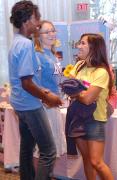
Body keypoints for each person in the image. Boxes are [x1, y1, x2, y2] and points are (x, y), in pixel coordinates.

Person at [8, 1, 63, 180]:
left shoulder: (17, 42)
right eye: (36, 18)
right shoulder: (25, 45)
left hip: (20, 103)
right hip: (30, 105)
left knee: (27, 148)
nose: (38, 22)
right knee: (48, 151)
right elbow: (27, 83)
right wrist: (49, 98)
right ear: (27, 20)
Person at [68, 33, 114, 180]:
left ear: (93, 48)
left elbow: (88, 99)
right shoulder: (79, 66)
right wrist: (77, 91)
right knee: (86, 159)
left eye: (82, 43)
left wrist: (76, 91)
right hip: (77, 119)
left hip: (94, 120)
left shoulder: (101, 72)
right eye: (79, 43)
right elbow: (69, 88)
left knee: (96, 162)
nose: (78, 46)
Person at [34, 20, 66, 157]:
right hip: (44, 106)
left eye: (53, 30)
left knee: (51, 148)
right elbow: (34, 83)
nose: (52, 34)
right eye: (47, 32)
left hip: (53, 104)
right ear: (38, 35)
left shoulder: (53, 54)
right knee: (44, 149)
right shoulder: (37, 55)